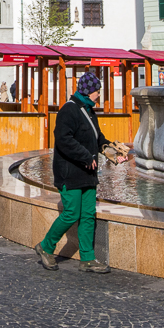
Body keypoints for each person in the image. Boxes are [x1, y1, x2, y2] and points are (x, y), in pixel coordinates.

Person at [34, 72, 128, 274]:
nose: (99, 95)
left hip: (88, 173)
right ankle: (46, 246)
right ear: (87, 91)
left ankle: (87, 258)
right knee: (71, 214)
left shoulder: (89, 110)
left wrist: (112, 153)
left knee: (87, 215)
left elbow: (98, 138)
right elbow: (63, 139)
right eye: (97, 91)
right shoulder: (68, 110)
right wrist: (86, 156)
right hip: (70, 173)